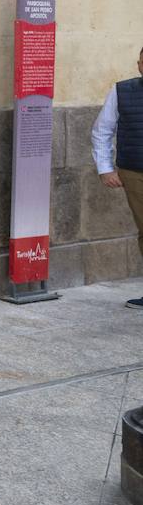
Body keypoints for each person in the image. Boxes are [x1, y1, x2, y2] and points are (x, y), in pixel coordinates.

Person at [92, 44, 143, 308]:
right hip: (135, 172)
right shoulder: (122, 91)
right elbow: (102, 130)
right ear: (139, 65)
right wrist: (105, 168)